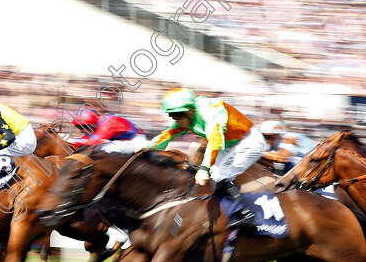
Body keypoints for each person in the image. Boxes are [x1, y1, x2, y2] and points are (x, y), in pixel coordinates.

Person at [148, 88, 266, 229]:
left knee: (221, 175)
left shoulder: (211, 111)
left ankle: (248, 215)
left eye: (177, 115)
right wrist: (147, 147)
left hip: (248, 141)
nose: (175, 119)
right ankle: (223, 209)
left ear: (190, 110)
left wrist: (204, 168)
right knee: (213, 177)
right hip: (229, 144)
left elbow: (215, 140)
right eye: (171, 115)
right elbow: (169, 133)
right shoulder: (187, 115)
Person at [68, 108, 147, 149]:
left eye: (83, 126)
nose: (81, 130)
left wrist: (71, 140)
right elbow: (85, 139)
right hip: (119, 140)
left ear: (93, 123)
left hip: (135, 140)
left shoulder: (108, 122)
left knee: (103, 149)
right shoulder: (95, 125)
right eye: (78, 127)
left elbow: (93, 142)